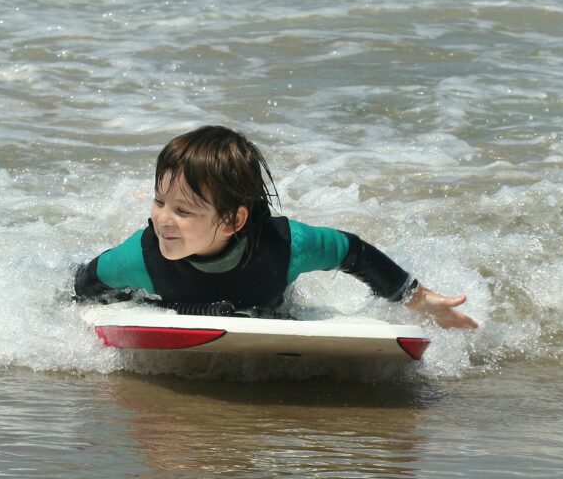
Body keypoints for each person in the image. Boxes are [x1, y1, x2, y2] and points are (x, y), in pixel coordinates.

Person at [74, 126, 478, 330]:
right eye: (159, 202)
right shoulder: (139, 259)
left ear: (233, 220)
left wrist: (418, 298)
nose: (162, 219)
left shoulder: (286, 247)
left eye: (184, 211)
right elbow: (85, 285)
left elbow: (352, 252)